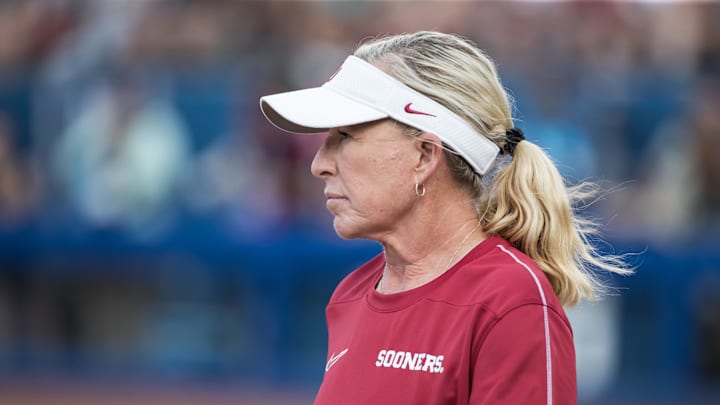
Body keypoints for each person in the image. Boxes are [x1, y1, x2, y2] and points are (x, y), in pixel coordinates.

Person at [259, 31, 631, 405]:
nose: (318, 164)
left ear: (424, 155)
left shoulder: (511, 301)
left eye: (345, 137)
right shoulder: (350, 294)